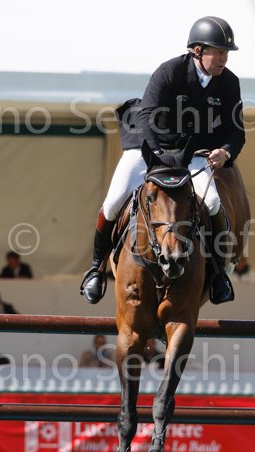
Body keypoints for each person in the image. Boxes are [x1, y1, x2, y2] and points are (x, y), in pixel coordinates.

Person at [80, 16, 245, 306]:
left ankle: (219, 273)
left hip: (191, 155)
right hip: (149, 149)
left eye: (226, 53)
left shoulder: (229, 82)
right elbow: (146, 116)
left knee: (213, 203)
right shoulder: (169, 71)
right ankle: (96, 268)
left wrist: (226, 152)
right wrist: (156, 156)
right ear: (197, 50)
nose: (224, 58)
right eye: (218, 52)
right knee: (114, 201)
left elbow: (236, 131)